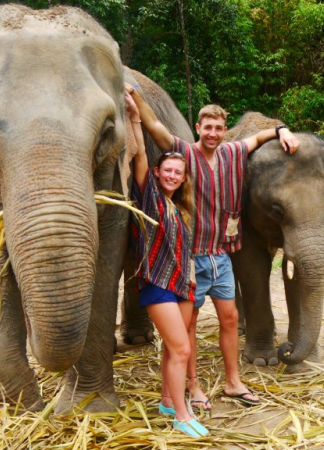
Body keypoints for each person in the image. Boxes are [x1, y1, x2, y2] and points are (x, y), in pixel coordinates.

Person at [126, 85, 299, 412]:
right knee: (188, 324)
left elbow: (260, 137)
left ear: (224, 130)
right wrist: (135, 98)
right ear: (198, 128)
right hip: (190, 258)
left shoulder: (234, 152)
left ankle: (233, 382)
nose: (213, 133)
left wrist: (283, 131)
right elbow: (155, 127)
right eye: (208, 127)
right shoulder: (184, 154)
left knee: (230, 318)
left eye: (219, 128)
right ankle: (193, 386)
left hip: (220, 255)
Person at [125, 89, 208, 438]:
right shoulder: (149, 196)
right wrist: (134, 116)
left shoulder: (183, 209)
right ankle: (182, 415)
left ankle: (166, 400)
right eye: (168, 170)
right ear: (158, 173)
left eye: (179, 172)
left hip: (182, 284)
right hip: (158, 284)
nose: (173, 175)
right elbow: (141, 153)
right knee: (181, 348)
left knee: (175, 348)